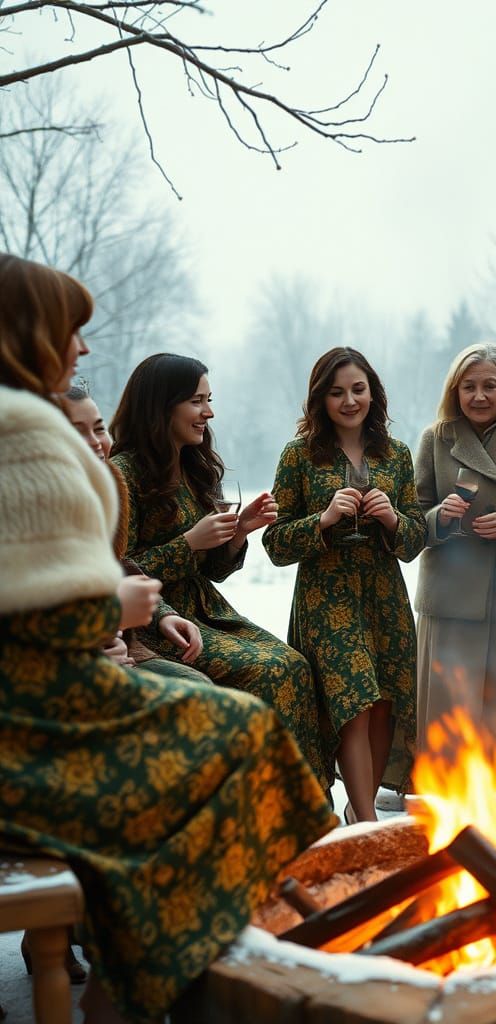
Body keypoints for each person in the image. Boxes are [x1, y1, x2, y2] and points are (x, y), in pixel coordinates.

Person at [0, 252, 336, 1024]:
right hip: (38, 720)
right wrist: (122, 603)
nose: (82, 350)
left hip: (125, 649)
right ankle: (194, 952)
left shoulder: (43, 437)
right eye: (69, 332)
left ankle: (222, 931)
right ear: (25, 333)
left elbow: (198, 566)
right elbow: (55, 612)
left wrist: (230, 535)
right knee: (238, 728)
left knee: (271, 690)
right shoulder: (30, 444)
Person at [109, 354, 330, 792]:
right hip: (155, 624)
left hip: (207, 611)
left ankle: (309, 801)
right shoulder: (122, 475)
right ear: (161, 406)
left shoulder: (191, 466)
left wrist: (238, 532)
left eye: (209, 400)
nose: (208, 413)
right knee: (271, 672)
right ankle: (275, 806)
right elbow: (117, 568)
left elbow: (217, 571)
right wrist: (188, 543)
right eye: (196, 401)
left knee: (293, 665)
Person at [264, 347, 425, 822]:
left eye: (358, 389)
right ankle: (368, 822)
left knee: (382, 705)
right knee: (354, 703)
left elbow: (415, 538)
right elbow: (275, 543)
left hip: (385, 596)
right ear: (320, 399)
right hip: (325, 598)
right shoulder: (298, 455)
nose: (350, 400)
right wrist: (324, 519)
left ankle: (361, 811)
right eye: (337, 392)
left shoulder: (396, 454)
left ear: (373, 393)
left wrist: (394, 519)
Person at [414, 343, 496, 746]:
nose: (479, 396)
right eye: (468, 386)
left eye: (490, 385)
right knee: (449, 719)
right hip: (450, 596)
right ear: (455, 391)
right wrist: (441, 515)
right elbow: (411, 517)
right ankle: (448, 806)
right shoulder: (436, 438)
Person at [62, 384, 210, 684]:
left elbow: (121, 566)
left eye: (99, 429)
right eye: (77, 432)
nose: (93, 442)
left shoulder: (106, 485)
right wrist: (83, 654)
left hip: (134, 634)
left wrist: (163, 616)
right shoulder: (24, 511)